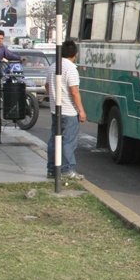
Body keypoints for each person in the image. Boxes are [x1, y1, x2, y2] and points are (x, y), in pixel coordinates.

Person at [45, 40, 86, 179]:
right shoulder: (71, 69)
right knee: (68, 141)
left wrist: (54, 97)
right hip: (69, 111)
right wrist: (81, 110)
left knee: (54, 140)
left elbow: (47, 86)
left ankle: (51, 169)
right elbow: (74, 91)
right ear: (75, 54)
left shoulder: (53, 66)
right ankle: (67, 170)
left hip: (55, 110)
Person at [0, 29, 22, 99]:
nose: (0, 40)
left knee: (7, 77)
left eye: (2, 39)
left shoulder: (3, 47)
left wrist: (20, 58)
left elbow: (10, 55)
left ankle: (1, 96)